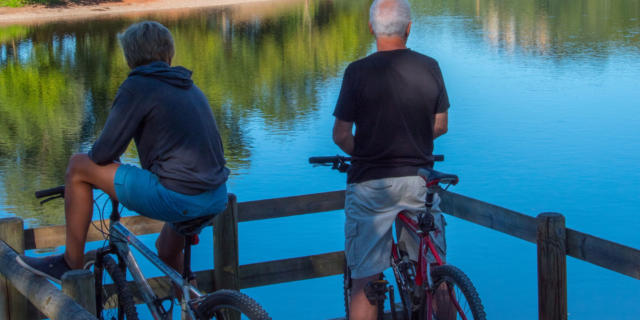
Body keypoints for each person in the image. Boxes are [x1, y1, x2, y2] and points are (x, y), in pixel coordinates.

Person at [17, 21, 230, 283]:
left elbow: (102, 154)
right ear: (169, 53)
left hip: (178, 196)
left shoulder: (139, 85)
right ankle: (196, 306)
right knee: (166, 251)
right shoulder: (188, 85)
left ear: (129, 57)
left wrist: (100, 170)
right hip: (215, 195)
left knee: (77, 166)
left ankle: (69, 262)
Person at [332, 0, 450, 319]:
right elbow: (440, 125)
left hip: (371, 185)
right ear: (409, 28)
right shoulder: (430, 66)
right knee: (435, 272)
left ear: (372, 28)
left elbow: (341, 135)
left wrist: (371, 150)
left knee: (366, 279)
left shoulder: (356, 72)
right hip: (418, 181)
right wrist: (411, 143)